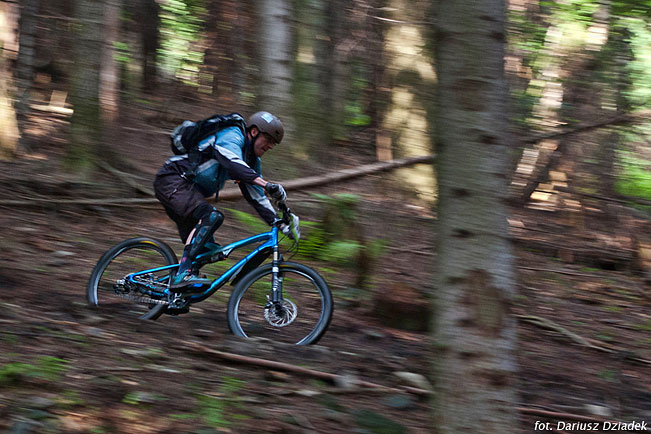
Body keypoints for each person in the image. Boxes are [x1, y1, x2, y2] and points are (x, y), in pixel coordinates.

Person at [153, 111, 287, 290]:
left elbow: (256, 197)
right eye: (269, 139)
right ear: (254, 132)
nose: (270, 146)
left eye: (274, 144)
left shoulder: (251, 159)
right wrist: (266, 184)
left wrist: (280, 222)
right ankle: (183, 274)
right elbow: (233, 162)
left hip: (188, 191)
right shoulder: (232, 135)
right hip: (172, 180)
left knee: (207, 249)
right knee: (212, 217)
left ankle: (176, 296)